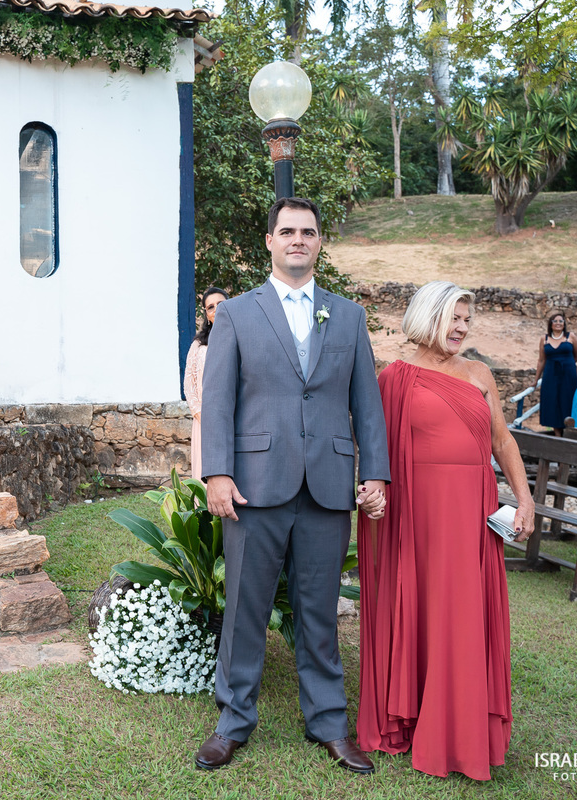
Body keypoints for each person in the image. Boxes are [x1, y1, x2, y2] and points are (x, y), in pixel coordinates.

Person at [196, 197, 390, 775]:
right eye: (287, 231)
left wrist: (375, 472)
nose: (297, 240)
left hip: (328, 486)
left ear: (319, 242)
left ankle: (328, 724)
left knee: (319, 612)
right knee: (245, 608)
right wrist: (217, 472)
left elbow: (367, 403)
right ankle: (232, 723)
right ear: (270, 241)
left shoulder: (348, 316)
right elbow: (217, 401)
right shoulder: (236, 314)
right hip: (254, 485)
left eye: (307, 231)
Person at [356, 281, 534, 781]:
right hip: (419, 517)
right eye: (453, 318)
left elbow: (503, 441)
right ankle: (412, 717)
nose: (461, 328)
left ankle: (461, 729)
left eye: (466, 320)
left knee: (464, 616)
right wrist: (371, 493)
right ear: (427, 317)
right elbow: (376, 449)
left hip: (473, 515)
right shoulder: (394, 377)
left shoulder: (479, 374)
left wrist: (525, 498)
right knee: (424, 611)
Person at [184, 287, 228, 480]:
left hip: (233, 418)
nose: (216, 309)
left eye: (221, 304)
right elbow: (189, 384)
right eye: (211, 307)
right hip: (204, 419)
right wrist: (200, 414)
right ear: (207, 315)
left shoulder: (241, 337)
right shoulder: (198, 344)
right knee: (206, 474)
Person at [533, 312, 577, 432]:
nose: (558, 323)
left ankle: (570, 432)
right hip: (551, 375)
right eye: (555, 321)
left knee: (568, 401)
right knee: (552, 402)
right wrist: (536, 380)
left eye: (561, 321)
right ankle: (557, 434)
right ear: (550, 324)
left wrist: (568, 365)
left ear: (564, 324)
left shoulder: (570, 336)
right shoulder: (544, 338)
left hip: (568, 375)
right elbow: (541, 360)